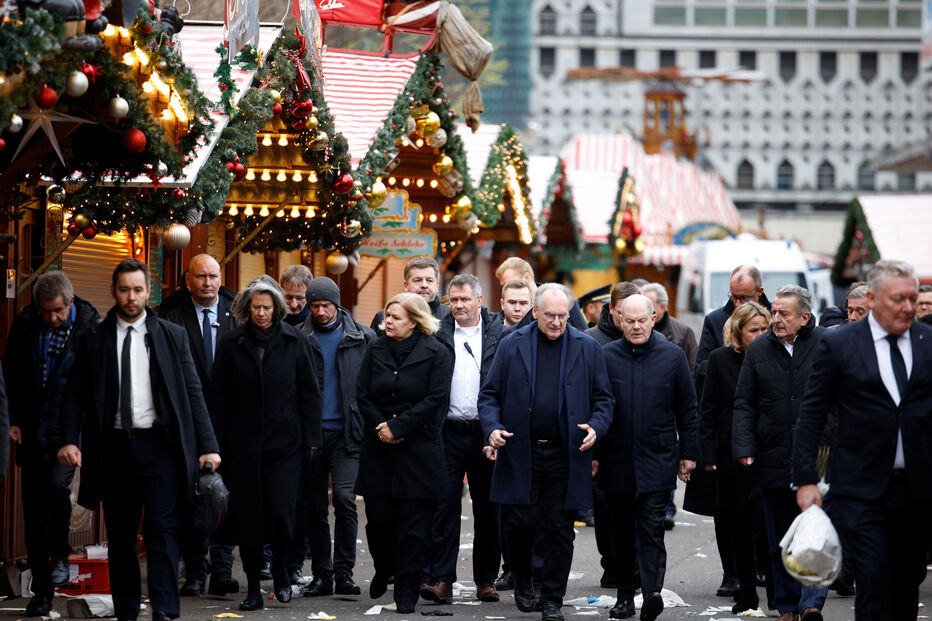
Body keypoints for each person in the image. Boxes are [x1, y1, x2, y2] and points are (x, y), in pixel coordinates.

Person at [57, 258, 221, 621]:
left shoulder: (170, 335)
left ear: (149, 291)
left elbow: (193, 392)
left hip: (160, 447)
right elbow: (75, 394)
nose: (131, 297)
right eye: (124, 290)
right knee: (121, 536)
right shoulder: (94, 339)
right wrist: (69, 440)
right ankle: (128, 611)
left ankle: (164, 610)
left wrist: (208, 446)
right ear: (114, 292)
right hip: (114, 449)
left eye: (137, 290)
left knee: (163, 529)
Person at [795, 260, 932, 621]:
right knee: (872, 578)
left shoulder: (927, 340)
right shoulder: (840, 343)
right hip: (861, 489)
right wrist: (806, 479)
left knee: (907, 582)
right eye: (897, 299)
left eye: (911, 299)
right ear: (872, 298)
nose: (907, 308)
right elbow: (812, 413)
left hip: (917, 489)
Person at [479, 283, 614, 621]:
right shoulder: (512, 345)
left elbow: (604, 399)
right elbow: (489, 395)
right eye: (550, 315)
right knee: (519, 525)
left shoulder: (587, 347)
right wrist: (492, 428)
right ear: (535, 312)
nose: (556, 322)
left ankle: (552, 598)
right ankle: (524, 578)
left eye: (563, 316)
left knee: (559, 529)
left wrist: (597, 427)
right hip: (520, 451)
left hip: (567, 454)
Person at [208, 275, 322, 611]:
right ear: (246, 308)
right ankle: (254, 588)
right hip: (242, 448)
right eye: (256, 307)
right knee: (249, 519)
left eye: (267, 307)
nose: (261, 313)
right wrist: (215, 444)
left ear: (277, 309)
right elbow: (219, 398)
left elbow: (309, 394)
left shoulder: (294, 342)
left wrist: (312, 440)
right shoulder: (232, 344)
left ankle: (284, 569)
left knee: (282, 514)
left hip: (286, 445)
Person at [3, 271, 99, 617]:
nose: (52, 318)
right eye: (46, 311)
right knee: (33, 512)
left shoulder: (89, 327)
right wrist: (13, 419)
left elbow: (92, 387)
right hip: (31, 429)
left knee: (56, 490)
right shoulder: (28, 324)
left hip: (68, 432)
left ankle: (60, 554)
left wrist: (78, 437)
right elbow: (11, 373)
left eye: (57, 311)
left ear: (70, 302)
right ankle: (42, 591)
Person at [599, 294, 698, 621]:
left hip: (657, 457)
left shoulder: (672, 356)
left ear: (653, 318)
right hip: (616, 458)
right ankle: (625, 597)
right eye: (630, 321)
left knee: (652, 530)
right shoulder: (606, 356)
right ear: (620, 320)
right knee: (622, 534)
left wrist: (689, 453)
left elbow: (687, 408)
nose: (637, 326)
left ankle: (652, 593)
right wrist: (595, 455)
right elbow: (596, 406)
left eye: (643, 320)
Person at [732, 285, 827, 621]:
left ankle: (812, 603)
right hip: (772, 453)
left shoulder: (825, 344)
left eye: (784, 313)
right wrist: (744, 446)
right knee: (779, 539)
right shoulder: (759, 349)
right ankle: (787, 606)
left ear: (804, 316)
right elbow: (744, 400)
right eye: (774, 311)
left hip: (817, 456)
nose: (776, 319)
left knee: (814, 534)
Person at [356, 293, 453, 614]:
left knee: (414, 527)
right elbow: (362, 393)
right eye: (387, 317)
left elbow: (435, 399)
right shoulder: (375, 348)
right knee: (379, 523)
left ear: (414, 320)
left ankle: (407, 589)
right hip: (379, 449)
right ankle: (385, 566)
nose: (388, 323)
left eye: (396, 317)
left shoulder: (437, 353)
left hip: (418, 450)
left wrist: (399, 427)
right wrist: (382, 426)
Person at [158, 254, 239, 597]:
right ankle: (194, 571)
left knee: (224, 498)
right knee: (192, 498)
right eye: (200, 276)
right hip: (187, 424)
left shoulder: (238, 312)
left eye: (213, 276)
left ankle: (222, 570)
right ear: (187, 280)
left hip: (231, 422)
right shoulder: (170, 314)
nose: (208, 282)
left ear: (221, 278)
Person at [421, 275, 503, 604]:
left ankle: (486, 579)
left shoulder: (499, 333)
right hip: (448, 431)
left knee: (488, 509)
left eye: (465, 300)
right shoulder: (437, 331)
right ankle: (442, 580)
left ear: (479, 300)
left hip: (485, 433)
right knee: (443, 506)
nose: (458, 306)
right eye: (453, 300)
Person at [298, 277, 374, 598]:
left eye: (326, 305)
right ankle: (321, 575)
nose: (321, 312)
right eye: (314, 306)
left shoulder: (362, 337)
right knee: (314, 506)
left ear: (337, 303)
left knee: (344, 500)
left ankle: (344, 572)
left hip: (347, 433)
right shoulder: (299, 337)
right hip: (311, 435)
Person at [698, 302, 771, 614]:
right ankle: (745, 590)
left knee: (765, 523)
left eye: (764, 329)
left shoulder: (774, 357)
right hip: (730, 453)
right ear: (738, 332)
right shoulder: (720, 360)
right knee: (737, 525)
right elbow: (709, 410)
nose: (760, 335)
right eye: (753, 330)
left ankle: (774, 587)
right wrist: (707, 456)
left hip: (768, 450)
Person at [696, 265, 770, 365]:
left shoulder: (776, 316)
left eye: (744, 298)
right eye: (734, 297)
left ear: (759, 292)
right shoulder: (714, 320)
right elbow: (701, 369)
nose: (737, 304)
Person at [495, 257, 588, 331]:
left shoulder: (563, 300)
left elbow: (583, 339)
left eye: (510, 283)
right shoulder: (505, 314)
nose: (507, 289)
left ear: (527, 277)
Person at [370, 257, 450, 335]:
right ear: (406, 285)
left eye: (429, 280)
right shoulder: (383, 318)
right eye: (417, 280)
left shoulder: (451, 317)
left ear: (437, 285)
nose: (424, 285)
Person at [641, 283, 697, 372]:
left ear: (662, 306)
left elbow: (692, 369)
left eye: (649, 306)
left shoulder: (684, 332)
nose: (644, 309)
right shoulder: (637, 329)